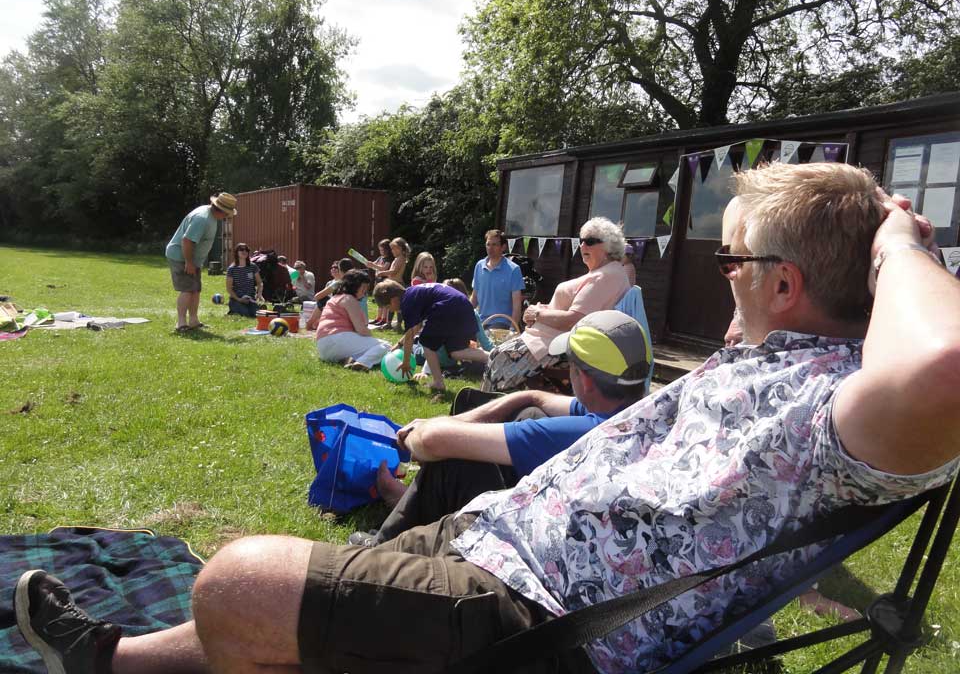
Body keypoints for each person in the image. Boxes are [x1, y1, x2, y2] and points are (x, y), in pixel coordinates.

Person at [16, 162, 960, 674]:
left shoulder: (836, 410)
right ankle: (112, 660)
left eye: (732, 262)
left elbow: (947, 365)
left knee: (239, 580)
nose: (723, 278)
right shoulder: (769, 359)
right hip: (501, 540)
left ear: (783, 285)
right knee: (292, 594)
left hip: (548, 624)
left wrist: (896, 244)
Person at [353, 310, 651, 546]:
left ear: (584, 380)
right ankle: (413, 502)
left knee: (455, 460)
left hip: (539, 544)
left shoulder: (580, 435)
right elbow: (536, 398)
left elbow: (432, 441)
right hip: (583, 528)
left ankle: (383, 545)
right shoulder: (640, 415)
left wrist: (415, 435)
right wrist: (516, 399)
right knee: (529, 411)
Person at [482, 216, 631, 392]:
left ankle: (490, 402)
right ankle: (497, 402)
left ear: (609, 245)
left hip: (555, 347)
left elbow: (574, 319)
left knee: (497, 356)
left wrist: (537, 314)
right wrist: (541, 310)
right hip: (549, 340)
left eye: (590, 241)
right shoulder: (606, 273)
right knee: (497, 355)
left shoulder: (604, 277)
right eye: (581, 241)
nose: (583, 246)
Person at [373, 279, 490, 392]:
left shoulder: (407, 302)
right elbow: (416, 327)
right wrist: (399, 344)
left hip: (448, 307)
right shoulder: (412, 295)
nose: (390, 310)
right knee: (457, 352)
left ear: (394, 300)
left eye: (388, 307)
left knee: (426, 342)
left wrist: (406, 362)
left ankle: (438, 382)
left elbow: (410, 336)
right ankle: (493, 357)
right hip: (463, 305)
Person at [164, 192, 237, 332]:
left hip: (192, 259)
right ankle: (181, 323)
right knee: (187, 290)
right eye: (227, 213)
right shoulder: (202, 219)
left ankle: (194, 321)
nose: (227, 216)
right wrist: (189, 262)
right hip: (181, 257)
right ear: (221, 210)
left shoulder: (211, 216)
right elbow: (187, 241)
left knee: (195, 290)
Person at [313, 270, 391, 372]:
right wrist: (373, 339)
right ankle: (362, 362)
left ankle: (350, 360)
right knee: (386, 346)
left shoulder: (334, 298)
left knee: (369, 348)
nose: (365, 291)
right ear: (354, 286)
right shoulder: (349, 299)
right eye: (363, 287)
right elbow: (361, 330)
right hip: (338, 339)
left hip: (323, 348)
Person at [470, 229, 524, 328]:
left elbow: (517, 304)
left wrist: (512, 329)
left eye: (494, 245)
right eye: (488, 244)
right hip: (481, 321)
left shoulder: (513, 269)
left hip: (502, 322)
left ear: (503, 247)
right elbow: (474, 298)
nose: (490, 248)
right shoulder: (479, 266)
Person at [371, 237, 410, 331]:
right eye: (391, 249)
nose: (392, 251)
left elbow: (394, 271)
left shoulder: (401, 258)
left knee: (398, 307)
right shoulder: (396, 258)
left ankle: (399, 324)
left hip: (397, 285)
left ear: (400, 248)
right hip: (392, 285)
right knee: (390, 305)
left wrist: (382, 273)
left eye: (394, 248)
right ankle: (388, 323)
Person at [224, 243, 262, 317]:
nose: (244, 251)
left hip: (250, 298)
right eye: (241, 250)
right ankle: (233, 309)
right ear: (236, 252)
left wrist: (259, 293)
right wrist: (239, 299)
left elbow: (259, 282)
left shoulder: (253, 267)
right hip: (237, 298)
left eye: (246, 250)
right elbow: (229, 289)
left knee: (255, 315)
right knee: (245, 314)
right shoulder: (231, 269)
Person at [369, 239, 393, 327]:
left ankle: (384, 319)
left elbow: (384, 268)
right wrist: (369, 264)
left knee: (385, 301)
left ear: (387, 249)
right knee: (379, 301)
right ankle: (378, 318)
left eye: (382, 250)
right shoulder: (380, 258)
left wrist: (373, 265)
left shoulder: (389, 259)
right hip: (378, 281)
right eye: (380, 250)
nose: (381, 251)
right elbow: (374, 265)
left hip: (385, 282)